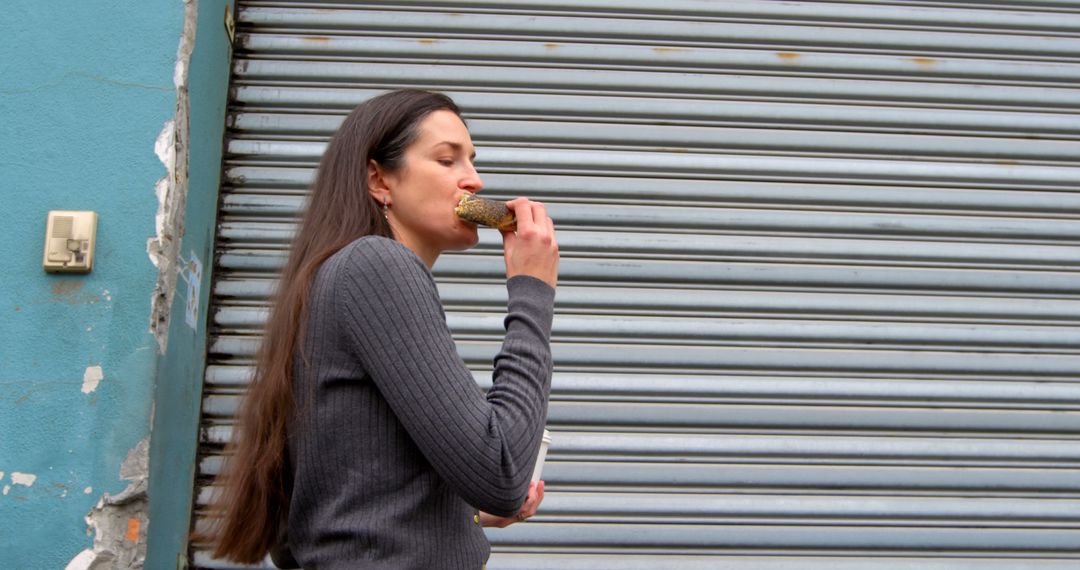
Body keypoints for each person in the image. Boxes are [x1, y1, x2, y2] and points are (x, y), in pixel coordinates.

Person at [200, 89, 559, 568]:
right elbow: (500, 471)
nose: (474, 180)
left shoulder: (340, 275)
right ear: (378, 180)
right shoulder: (377, 264)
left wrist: (460, 510)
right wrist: (532, 291)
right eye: (447, 160)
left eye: (472, 161)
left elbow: (349, 495)